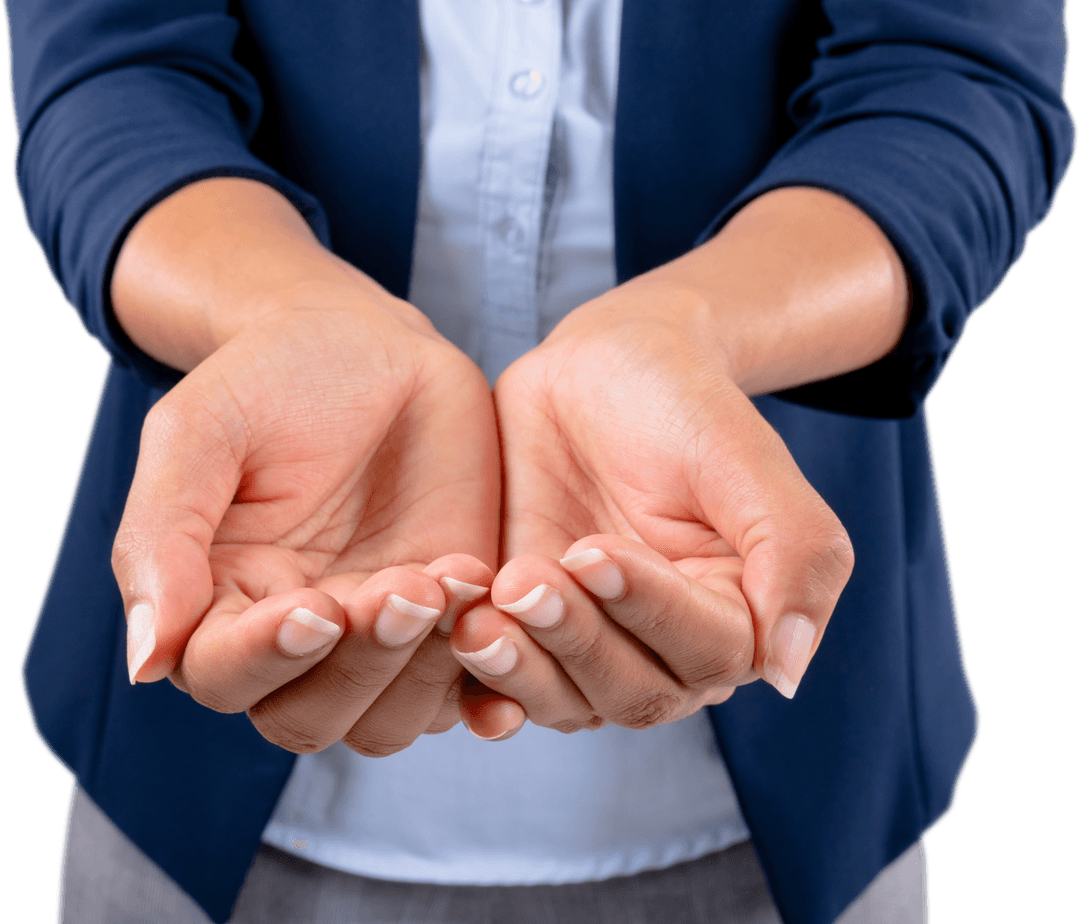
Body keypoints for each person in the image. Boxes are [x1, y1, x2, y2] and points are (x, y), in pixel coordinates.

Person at [7, 1, 1073, 923]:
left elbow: (954, 78)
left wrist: (691, 332)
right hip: (195, 798)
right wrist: (283, 315)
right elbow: (112, 62)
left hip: (795, 794)